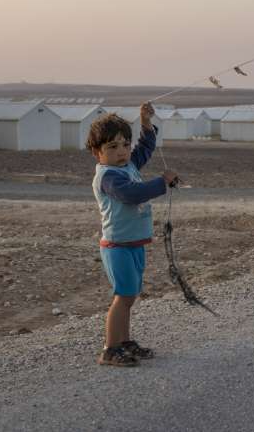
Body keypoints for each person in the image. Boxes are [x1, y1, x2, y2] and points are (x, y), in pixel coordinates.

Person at [86, 102, 177, 367]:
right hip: (117, 246)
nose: (122, 151)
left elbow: (145, 148)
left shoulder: (127, 166)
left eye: (125, 144)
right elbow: (131, 194)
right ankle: (110, 349)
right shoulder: (108, 177)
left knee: (129, 296)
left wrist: (145, 122)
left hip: (134, 244)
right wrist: (162, 182)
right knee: (123, 296)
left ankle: (124, 342)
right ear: (97, 152)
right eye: (112, 147)